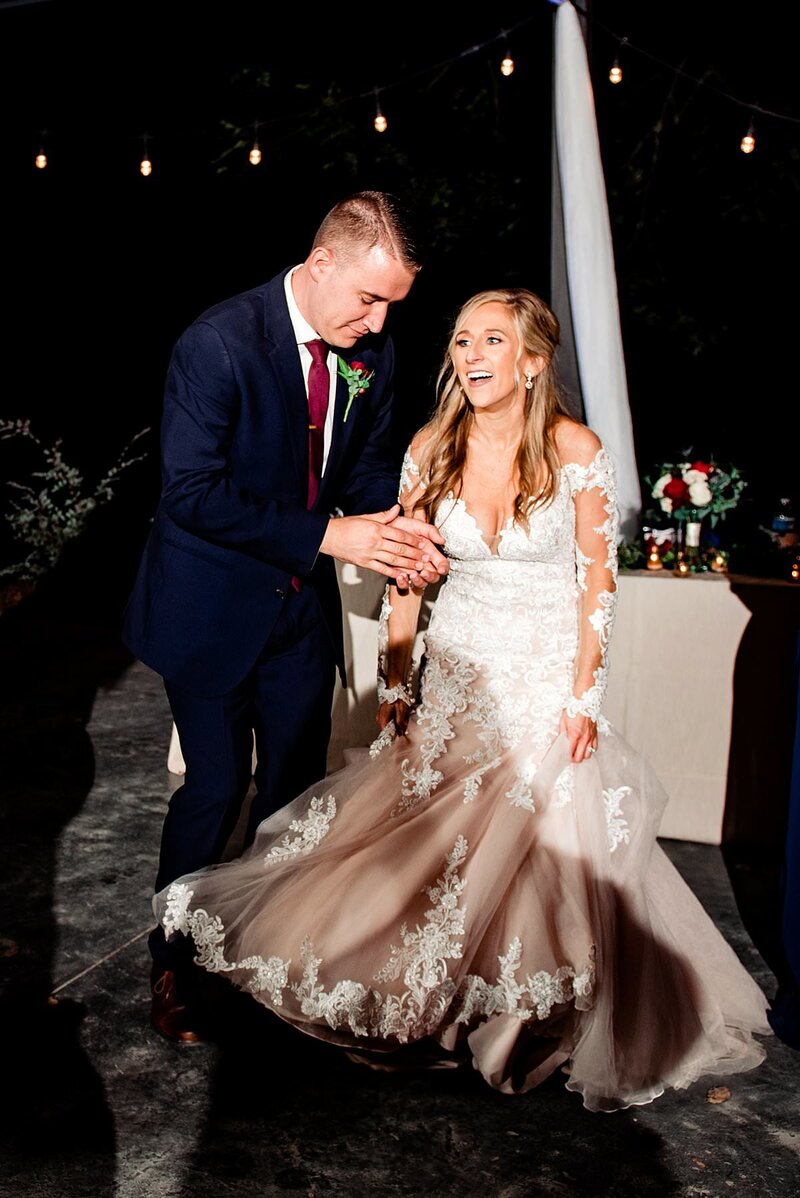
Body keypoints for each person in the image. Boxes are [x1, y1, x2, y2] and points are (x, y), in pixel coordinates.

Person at [153, 287, 770, 1110]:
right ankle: (425, 1005)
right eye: (462, 341)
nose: (472, 356)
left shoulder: (574, 448)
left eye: (492, 341)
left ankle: (517, 1017)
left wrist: (584, 697)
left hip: (542, 681)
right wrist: (398, 678)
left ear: (533, 361)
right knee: (430, 859)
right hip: (456, 677)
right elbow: (406, 576)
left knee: (531, 862)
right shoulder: (431, 447)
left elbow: (597, 585)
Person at [122, 191, 449, 1043]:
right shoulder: (218, 343)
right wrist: (332, 535)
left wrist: (395, 526)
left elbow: (368, 467)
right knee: (217, 789)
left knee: (296, 791)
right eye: (369, 299)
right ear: (322, 263)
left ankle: (273, 954)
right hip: (208, 608)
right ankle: (175, 965)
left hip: (298, 615)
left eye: (392, 307)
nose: (378, 324)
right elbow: (191, 495)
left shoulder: (367, 352)